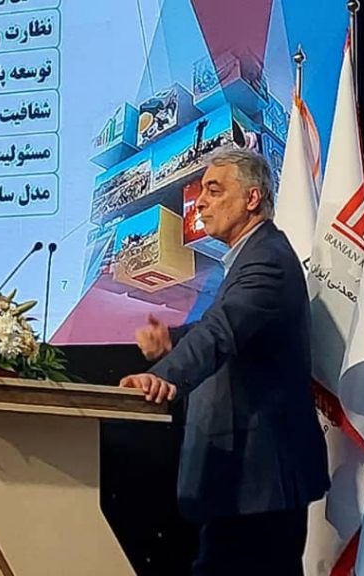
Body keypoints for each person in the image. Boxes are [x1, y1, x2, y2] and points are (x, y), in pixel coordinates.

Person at [120, 146, 329, 575]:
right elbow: (227, 328)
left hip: (258, 483)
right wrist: (173, 342)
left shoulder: (267, 260)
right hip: (243, 486)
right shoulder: (252, 256)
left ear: (252, 198)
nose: (200, 202)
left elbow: (222, 329)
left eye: (214, 191)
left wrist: (165, 376)